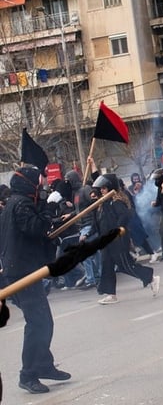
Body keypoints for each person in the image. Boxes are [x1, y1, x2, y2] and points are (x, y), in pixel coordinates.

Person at [0, 166, 71, 394]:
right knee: (38, 323)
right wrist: (49, 207)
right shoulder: (20, 204)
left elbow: (34, 232)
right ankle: (28, 374)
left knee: (42, 321)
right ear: (29, 183)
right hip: (22, 272)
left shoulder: (16, 202)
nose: (40, 185)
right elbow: (36, 227)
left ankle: (43, 365)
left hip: (23, 269)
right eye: (37, 182)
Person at [93, 174, 159, 304]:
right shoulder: (104, 203)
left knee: (125, 265)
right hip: (106, 241)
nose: (101, 191)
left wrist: (116, 230)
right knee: (107, 266)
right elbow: (100, 222)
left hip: (117, 240)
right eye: (100, 189)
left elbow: (124, 216)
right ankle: (111, 294)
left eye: (104, 188)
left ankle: (150, 277)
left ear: (111, 188)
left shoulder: (117, 202)